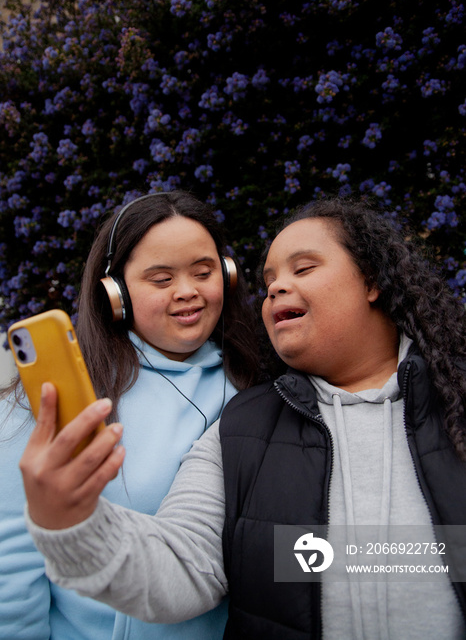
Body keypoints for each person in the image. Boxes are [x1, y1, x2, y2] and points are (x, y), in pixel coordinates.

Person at [20, 197, 466, 639]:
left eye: (303, 269)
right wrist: (73, 523)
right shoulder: (240, 428)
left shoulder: (455, 406)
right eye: (269, 279)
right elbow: (183, 564)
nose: (275, 287)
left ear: (372, 281)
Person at [0, 190, 261, 640]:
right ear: (116, 293)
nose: (188, 292)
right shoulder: (52, 397)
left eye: (204, 272)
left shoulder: (258, 387)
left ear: (229, 274)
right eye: (161, 279)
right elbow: (12, 560)